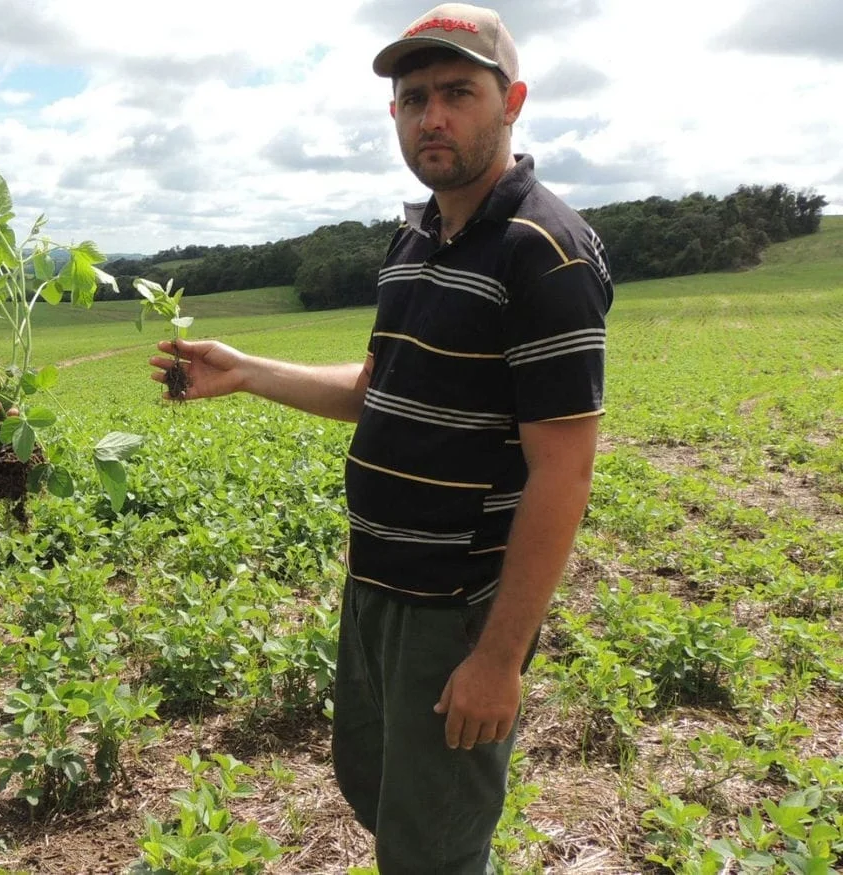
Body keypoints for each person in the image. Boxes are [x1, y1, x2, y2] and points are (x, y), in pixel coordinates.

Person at [149, 5, 612, 872]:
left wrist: (498, 657)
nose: (432, 116)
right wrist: (245, 370)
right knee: (380, 793)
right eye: (413, 97)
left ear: (510, 102)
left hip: (457, 607)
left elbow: (564, 469)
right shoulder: (413, 238)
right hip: (376, 587)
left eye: (458, 94)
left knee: (434, 844)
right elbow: (377, 392)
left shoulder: (546, 251)